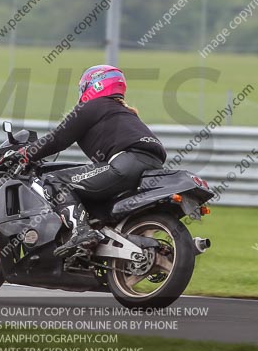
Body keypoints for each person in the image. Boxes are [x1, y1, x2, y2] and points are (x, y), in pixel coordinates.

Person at [8, 65, 167, 258]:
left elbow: (57, 139)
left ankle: (81, 232)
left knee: (54, 181)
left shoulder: (91, 107)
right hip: (152, 166)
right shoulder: (126, 113)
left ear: (93, 85)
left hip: (125, 163)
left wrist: (25, 153)